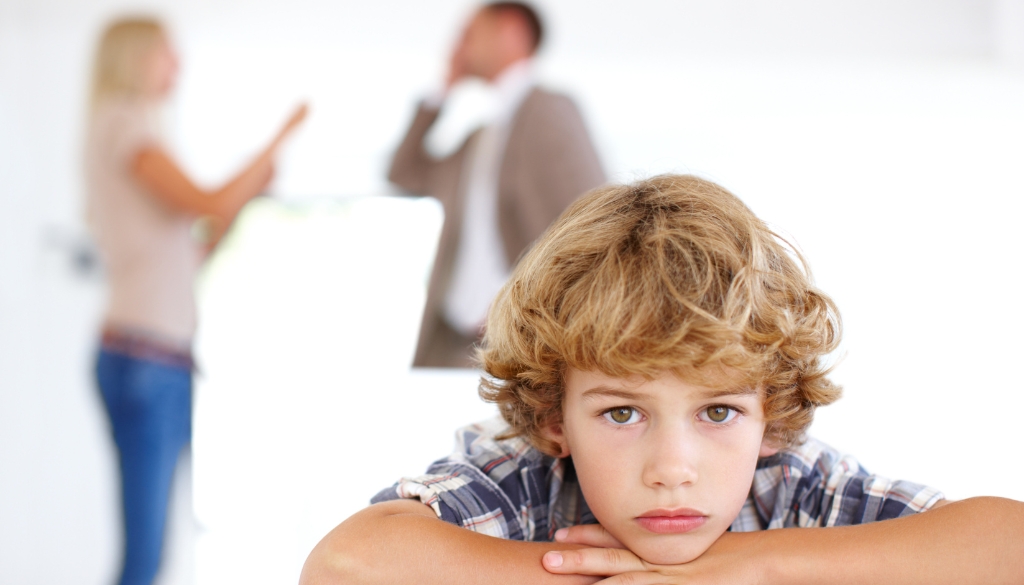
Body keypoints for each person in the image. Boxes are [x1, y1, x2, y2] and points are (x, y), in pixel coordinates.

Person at [300, 175, 1024, 584]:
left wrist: (752, 568)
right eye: (622, 414)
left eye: (716, 412)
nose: (673, 469)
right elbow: (348, 563)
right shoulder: (522, 482)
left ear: (769, 413)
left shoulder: (796, 487)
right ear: (555, 417)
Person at [84, 18, 306, 585]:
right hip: (145, 358)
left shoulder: (125, 130)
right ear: (135, 58)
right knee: (146, 553)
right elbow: (206, 200)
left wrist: (247, 195)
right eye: (167, 55)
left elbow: (192, 250)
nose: (176, 68)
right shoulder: (125, 125)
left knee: (153, 549)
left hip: (154, 356)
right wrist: (280, 137)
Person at [388, 1, 606, 367]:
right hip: (453, 346)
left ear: (511, 31)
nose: (457, 47)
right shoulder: (479, 138)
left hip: (520, 347)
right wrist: (442, 91)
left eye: (469, 34)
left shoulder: (549, 110)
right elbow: (403, 172)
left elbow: (594, 226)